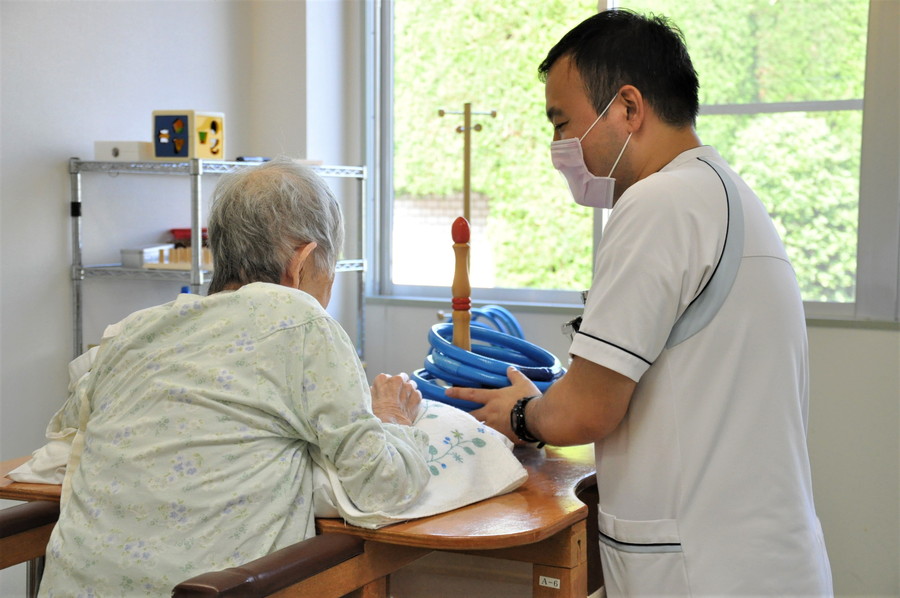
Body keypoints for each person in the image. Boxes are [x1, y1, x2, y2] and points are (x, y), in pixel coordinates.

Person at [446, 9, 833, 596]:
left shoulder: (659, 203)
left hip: (702, 568)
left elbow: (587, 410)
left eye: (562, 122)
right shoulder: (725, 193)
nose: (559, 145)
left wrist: (523, 413)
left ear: (628, 108)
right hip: (764, 559)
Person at [39, 158, 430, 596]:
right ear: (301, 262)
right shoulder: (301, 321)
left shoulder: (134, 329)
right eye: (330, 274)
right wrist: (392, 413)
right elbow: (384, 489)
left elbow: (69, 424)